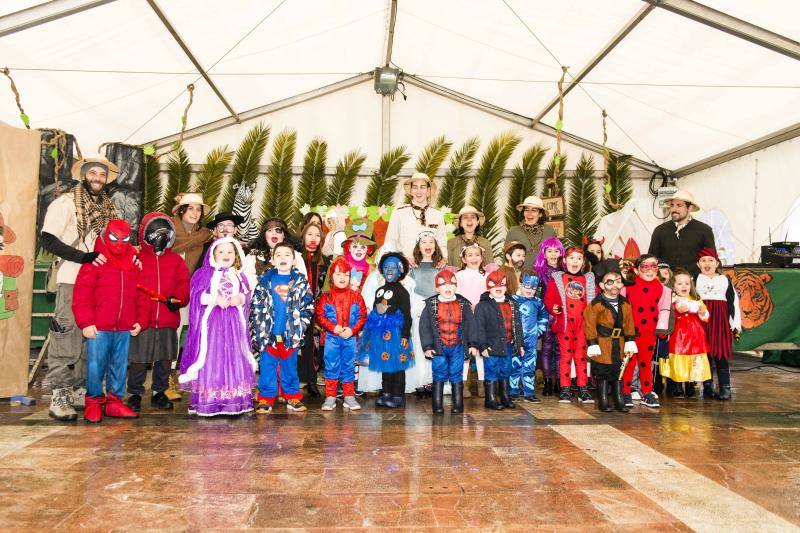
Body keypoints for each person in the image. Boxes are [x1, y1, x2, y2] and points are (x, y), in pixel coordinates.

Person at [40, 156, 121, 421]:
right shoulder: (65, 203)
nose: (97, 178)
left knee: (91, 338)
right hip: (72, 279)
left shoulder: (110, 209)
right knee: (66, 334)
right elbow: (48, 240)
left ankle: (79, 388)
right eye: (93, 173)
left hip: (100, 284)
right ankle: (59, 394)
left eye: (102, 174)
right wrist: (83, 257)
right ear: (83, 175)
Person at [72, 220, 148, 423]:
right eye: (115, 238)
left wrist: (141, 319)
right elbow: (82, 294)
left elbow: (141, 293)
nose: (120, 243)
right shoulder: (95, 261)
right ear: (106, 236)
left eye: (125, 239)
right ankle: (94, 401)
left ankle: (114, 401)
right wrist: (86, 322)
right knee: (95, 365)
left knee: (120, 365)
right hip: (99, 326)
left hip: (124, 326)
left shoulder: (134, 263)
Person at [178, 237, 256, 416]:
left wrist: (240, 298)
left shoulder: (239, 275)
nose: (225, 254)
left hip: (233, 324)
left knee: (233, 357)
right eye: (221, 251)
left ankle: (232, 400)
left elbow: (246, 294)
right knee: (213, 358)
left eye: (230, 251)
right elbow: (196, 296)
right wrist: (214, 299)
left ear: (236, 255)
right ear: (212, 254)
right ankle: (210, 401)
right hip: (212, 325)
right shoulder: (203, 274)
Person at [126, 212, 190, 412]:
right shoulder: (135, 259)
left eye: (164, 233)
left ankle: (158, 392)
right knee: (138, 359)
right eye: (155, 232)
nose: (159, 237)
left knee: (165, 358)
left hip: (167, 318)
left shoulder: (176, 261)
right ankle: (135, 393)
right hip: (142, 319)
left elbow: (184, 283)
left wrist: (177, 299)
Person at [250, 242, 314, 413]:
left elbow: (308, 307)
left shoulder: (301, 282)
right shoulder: (264, 281)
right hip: (268, 335)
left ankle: (292, 396)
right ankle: (266, 398)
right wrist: (259, 329)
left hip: (291, 336)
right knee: (267, 367)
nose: (282, 258)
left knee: (290, 367)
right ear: (272, 260)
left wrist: (300, 327)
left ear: (294, 260)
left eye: (287, 255)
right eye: (278, 255)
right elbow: (255, 307)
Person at [168, 192, 212, 401]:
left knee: (188, 333)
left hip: (190, 292)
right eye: (191, 208)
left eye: (198, 209)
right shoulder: (168, 232)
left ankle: (184, 376)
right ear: (181, 211)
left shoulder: (204, 236)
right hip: (167, 292)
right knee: (171, 335)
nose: (195, 213)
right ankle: (166, 379)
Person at [357, 252, 414, 408]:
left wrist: (404, 335)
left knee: (397, 365)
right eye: (386, 267)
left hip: (396, 334)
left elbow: (407, 316)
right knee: (385, 362)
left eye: (393, 267)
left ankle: (398, 395)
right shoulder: (379, 290)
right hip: (381, 334)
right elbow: (375, 312)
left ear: (400, 271)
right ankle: (386, 392)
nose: (389, 270)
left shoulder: (402, 292)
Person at [419, 270, 479, 414]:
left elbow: (472, 325)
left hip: (458, 347)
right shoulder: (431, 304)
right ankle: (437, 405)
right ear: (436, 288)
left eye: (452, 284)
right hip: (438, 348)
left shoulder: (463, 304)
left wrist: (472, 344)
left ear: (456, 286)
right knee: (439, 373)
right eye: (443, 284)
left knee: (456, 373)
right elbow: (424, 327)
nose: (448, 287)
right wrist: (427, 346)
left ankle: (458, 404)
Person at [619, 254, 673, 409]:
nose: (650, 270)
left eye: (653, 266)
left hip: (649, 332)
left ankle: (647, 392)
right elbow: (620, 309)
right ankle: (625, 391)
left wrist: (662, 329)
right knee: (628, 362)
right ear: (637, 270)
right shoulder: (626, 287)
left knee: (646, 363)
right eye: (645, 267)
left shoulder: (663, 289)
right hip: (629, 332)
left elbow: (664, 310)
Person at [543, 246, 596, 404]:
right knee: (565, 356)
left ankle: (583, 388)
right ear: (565, 260)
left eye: (579, 259)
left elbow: (594, 301)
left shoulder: (588, 279)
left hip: (583, 324)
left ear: (583, 262)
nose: (575, 261)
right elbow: (548, 298)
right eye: (572, 258)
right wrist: (553, 308)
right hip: (565, 324)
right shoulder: (558, 278)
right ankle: (565, 388)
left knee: (581, 357)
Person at [315, 257, 368, 411]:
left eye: (346, 274)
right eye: (338, 274)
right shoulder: (326, 297)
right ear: (331, 277)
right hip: (332, 338)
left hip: (350, 338)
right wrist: (333, 328)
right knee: (331, 365)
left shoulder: (357, 296)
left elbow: (363, 316)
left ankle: (349, 396)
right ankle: (330, 396)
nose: (342, 278)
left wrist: (352, 330)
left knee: (349, 366)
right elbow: (320, 315)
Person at [583, 263, 637, 413]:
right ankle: (603, 400)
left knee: (619, 371)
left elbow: (629, 324)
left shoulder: (625, 304)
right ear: (602, 285)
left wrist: (630, 341)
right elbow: (589, 324)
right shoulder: (596, 304)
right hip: (603, 343)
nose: (615, 285)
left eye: (618, 281)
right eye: (610, 282)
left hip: (619, 343)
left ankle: (619, 399)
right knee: (603, 372)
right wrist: (592, 343)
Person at [475, 270, 524, 410]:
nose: (498, 287)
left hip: (508, 345)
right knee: (491, 370)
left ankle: (505, 396)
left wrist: (520, 344)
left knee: (506, 369)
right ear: (488, 287)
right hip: (491, 346)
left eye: (502, 284)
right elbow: (479, 328)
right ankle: (490, 398)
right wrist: (483, 345)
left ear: (506, 286)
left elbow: (517, 325)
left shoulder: (512, 304)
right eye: (494, 284)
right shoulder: (482, 306)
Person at [696, 248, 741, 401]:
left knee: (721, 355)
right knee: (705, 356)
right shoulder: (695, 279)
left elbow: (733, 302)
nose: (707, 263)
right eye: (703, 261)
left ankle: (725, 388)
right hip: (702, 322)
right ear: (698, 264)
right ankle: (707, 387)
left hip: (720, 322)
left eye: (710, 260)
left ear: (716, 263)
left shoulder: (724, 280)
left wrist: (734, 323)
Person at [661, 269, 712, 396]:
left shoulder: (696, 299)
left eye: (687, 283)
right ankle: (678, 384)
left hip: (695, 335)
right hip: (678, 335)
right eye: (680, 284)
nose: (684, 286)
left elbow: (706, 317)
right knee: (679, 359)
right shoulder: (671, 300)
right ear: (673, 286)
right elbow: (665, 315)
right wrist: (676, 311)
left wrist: (702, 312)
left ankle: (690, 384)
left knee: (694, 360)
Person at [385, 172, 448, 265]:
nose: (418, 191)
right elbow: (390, 241)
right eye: (415, 187)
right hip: (404, 265)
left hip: (430, 266)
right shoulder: (399, 212)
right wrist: (403, 258)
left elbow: (441, 241)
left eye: (422, 187)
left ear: (428, 191)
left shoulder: (437, 215)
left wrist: (444, 258)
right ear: (411, 191)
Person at [648, 190, 716, 276]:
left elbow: (712, 259)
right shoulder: (660, 230)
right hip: (667, 282)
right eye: (672, 205)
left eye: (679, 205)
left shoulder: (704, 230)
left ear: (689, 208)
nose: (674, 209)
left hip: (694, 281)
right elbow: (651, 259)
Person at [409, 231, 444, 397]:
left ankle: (432, 379)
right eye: (424, 242)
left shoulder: (441, 266)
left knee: (435, 344)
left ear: (436, 246)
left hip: (436, 308)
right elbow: (409, 289)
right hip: (419, 308)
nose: (428, 245)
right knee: (419, 344)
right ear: (418, 246)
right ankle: (419, 380)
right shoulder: (413, 267)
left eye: (431, 242)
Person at [456, 242, 489, 398]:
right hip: (465, 318)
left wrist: (480, 305)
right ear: (463, 259)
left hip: (482, 318)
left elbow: (489, 295)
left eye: (477, 255)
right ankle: (463, 384)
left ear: (482, 258)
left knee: (482, 351)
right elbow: (456, 295)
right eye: (469, 255)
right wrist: (467, 305)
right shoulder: (459, 276)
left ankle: (482, 384)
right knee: (466, 351)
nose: (474, 258)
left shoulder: (486, 276)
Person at [299, 222, 327, 397]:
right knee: (300, 343)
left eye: (317, 235)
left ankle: (311, 380)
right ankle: (298, 378)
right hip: (299, 307)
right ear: (303, 237)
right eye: (310, 234)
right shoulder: (297, 258)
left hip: (317, 309)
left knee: (314, 345)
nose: (313, 238)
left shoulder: (324, 261)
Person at [511, 272, 549, 402]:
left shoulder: (538, 302)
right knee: (514, 364)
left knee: (530, 365)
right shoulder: (513, 300)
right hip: (515, 340)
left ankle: (529, 392)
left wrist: (539, 330)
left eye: (534, 288)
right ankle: (513, 391)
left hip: (531, 340)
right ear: (521, 284)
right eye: (527, 286)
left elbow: (544, 317)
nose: (530, 290)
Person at [534, 236, 565, 396]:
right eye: (550, 251)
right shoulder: (539, 273)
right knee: (546, 348)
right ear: (544, 254)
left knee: (560, 349)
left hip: (563, 315)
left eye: (556, 251)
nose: (553, 254)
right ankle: (547, 382)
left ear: (561, 253)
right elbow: (537, 297)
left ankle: (559, 381)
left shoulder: (566, 272)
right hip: (546, 315)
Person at [243, 217, 306, 289]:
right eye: (269, 230)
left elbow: (303, 279)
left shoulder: (295, 255)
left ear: (284, 235)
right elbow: (247, 280)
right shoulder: (253, 256)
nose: (274, 233)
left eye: (278, 230)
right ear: (264, 235)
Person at [505, 195, 556, 272]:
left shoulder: (549, 231)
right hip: (520, 276)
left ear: (540, 214)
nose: (529, 213)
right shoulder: (514, 231)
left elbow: (557, 253)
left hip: (544, 275)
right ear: (523, 213)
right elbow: (506, 257)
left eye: (534, 210)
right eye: (526, 210)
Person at [339, 218, 376, 292]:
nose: (359, 250)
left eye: (363, 247)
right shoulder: (340, 264)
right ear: (349, 248)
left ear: (367, 249)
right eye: (355, 246)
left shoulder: (371, 270)